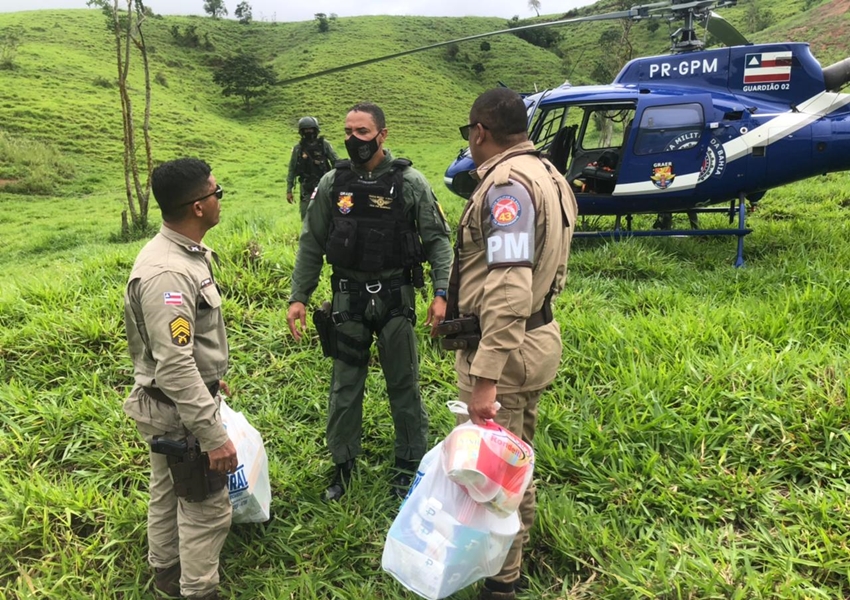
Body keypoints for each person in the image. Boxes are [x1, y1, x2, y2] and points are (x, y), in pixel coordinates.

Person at [438, 88, 578, 600]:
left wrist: (485, 378)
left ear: (480, 131)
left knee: (493, 471)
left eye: (468, 134)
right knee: (518, 452)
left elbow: (509, 285)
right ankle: (521, 542)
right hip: (534, 339)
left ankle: (502, 579)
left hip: (507, 350)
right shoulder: (548, 174)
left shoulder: (507, 186)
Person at [287, 102, 453, 501]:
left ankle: (408, 462)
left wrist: (442, 293)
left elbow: (438, 241)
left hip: (396, 295)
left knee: (404, 383)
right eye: (348, 131)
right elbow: (311, 242)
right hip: (348, 297)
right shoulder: (332, 183)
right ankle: (343, 466)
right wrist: (299, 297)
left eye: (362, 132)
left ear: (382, 134)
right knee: (345, 385)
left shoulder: (409, 182)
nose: (352, 140)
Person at [122, 158, 237, 600]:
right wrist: (212, 434)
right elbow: (173, 364)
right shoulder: (169, 272)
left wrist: (211, 379)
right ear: (197, 206)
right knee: (205, 506)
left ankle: (167, 574)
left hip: (169, 402)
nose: (218, 197)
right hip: (180, 413)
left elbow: (183, 350)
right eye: (216, 192)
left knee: (168, 490)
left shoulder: (180, 254)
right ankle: (198, 590)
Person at [286, 116, 340, 220]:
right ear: (301, 132)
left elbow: (336, 162)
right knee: (306, 217)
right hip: (306, 187)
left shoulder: (324, 145)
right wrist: (289, 190)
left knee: (326, 215)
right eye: (305, 130)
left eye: (310, 129)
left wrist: (338, 183)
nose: (308, 132)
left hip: (324, 185)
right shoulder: (298, 149)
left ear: (316, 130)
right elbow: (292, 169)